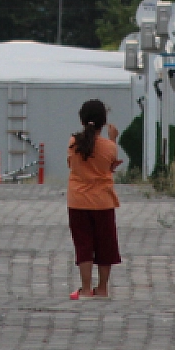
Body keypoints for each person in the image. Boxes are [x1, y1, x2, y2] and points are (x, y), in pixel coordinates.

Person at [66, 99, 124, 300]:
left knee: (83, 245)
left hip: (77, 200)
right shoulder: (109, 146)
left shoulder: (73, 143)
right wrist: (113, 139)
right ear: (103, 121)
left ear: (82, 120)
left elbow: (70, 164)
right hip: (102, 202)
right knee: (105, 245)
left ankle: (85, 287)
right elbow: (109, 166)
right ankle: (102, 288)